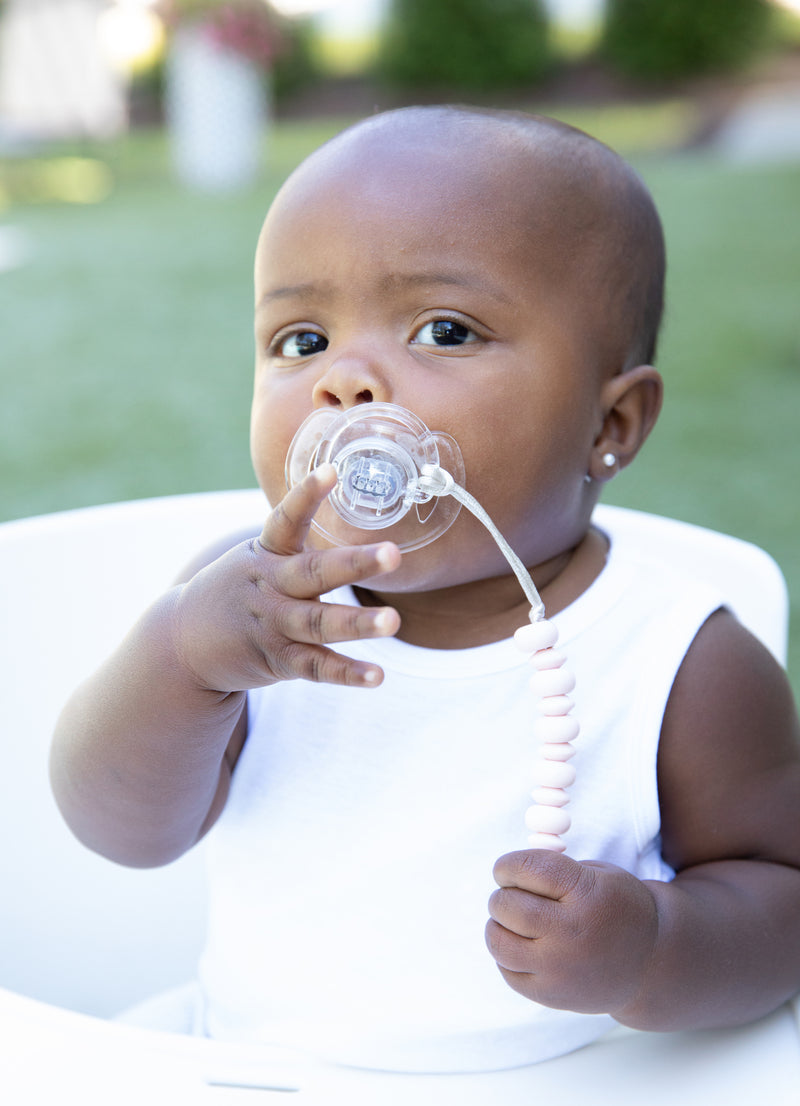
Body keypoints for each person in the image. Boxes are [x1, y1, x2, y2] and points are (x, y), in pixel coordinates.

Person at [50, 106, 800, 1073]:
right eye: (300, 339)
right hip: (242, 1071)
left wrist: (653, 943)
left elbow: (781, 905)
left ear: (611, 421)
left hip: (564, 1088)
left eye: (443, 330)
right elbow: (123, 833)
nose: (345, 383)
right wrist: (178, 663)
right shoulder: (245, 612)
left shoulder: (680, 659)